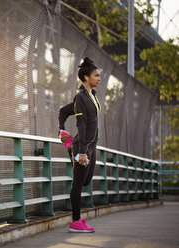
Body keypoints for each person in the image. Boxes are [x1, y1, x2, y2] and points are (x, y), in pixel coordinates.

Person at [58, 57, 101, 233]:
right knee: (77, 183)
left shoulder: (92, 96)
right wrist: (82, 151)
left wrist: (61, 130)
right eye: (96, 75)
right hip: (83, 147)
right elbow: (81, 125)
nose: (99, 78)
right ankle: (76, 221)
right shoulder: (81, 97)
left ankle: (71, 148)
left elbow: (63, 111)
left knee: (87, 179)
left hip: (91, 146)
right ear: (86, 77)